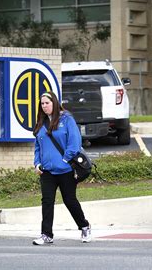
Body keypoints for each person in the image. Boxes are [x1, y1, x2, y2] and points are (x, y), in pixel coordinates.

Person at [32, 91, 91, 245]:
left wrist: (65, 160)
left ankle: (84, 226)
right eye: (42, 104)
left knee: (70, 200)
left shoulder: (67, 119)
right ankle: (46, 234)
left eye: (47, 103)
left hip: (66, 170)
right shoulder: (41, 122)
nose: (44, 106)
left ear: (54, 103)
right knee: (47, 201)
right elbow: (38, 146)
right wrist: (37, 163)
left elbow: (74, 142)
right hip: (47, 171)